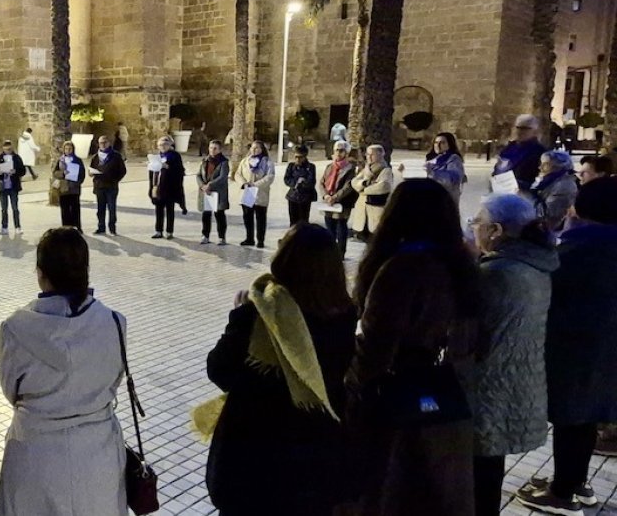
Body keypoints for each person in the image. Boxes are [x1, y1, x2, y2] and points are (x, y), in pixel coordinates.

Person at [344, 179, 479, 516]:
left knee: (389, 491)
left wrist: (351, 386)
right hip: (443, 394)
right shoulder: (460, 264)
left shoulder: (401, 268)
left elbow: (377, 342)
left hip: (395, 399)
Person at [205, 224, 358, 515]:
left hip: (255, 457)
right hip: (315, 455)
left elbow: (220, 370)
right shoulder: (344, 313)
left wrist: (239, 315)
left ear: (286, 259)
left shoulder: (260, 311)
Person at [0, 228, 127, 515]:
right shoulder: (115, 322)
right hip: (98, 453)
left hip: (34, 452)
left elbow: (11, 391)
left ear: (40, 273)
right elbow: (114, 379)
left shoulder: (15, 327)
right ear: (85, 271)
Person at [516, 177, 617, 514]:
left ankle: (562, 493)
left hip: (576, 346)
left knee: (571, 417)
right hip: (604, 347)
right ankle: (576, 481)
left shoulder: (581, 246)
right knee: (586, 418)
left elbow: (548, 284)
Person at [468, 194, 557, 516]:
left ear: (495, 230)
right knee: (490, 466)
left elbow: (467, 331)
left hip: (488, 385)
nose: (472, 227)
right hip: (519, 382)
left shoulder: (496, 274)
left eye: (476, 222)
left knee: (480, 473)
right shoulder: (538, 263)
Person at [319, 140, 359, 257]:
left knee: (341, 226)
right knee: (329, 226)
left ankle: (341, 252)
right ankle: (330, 250)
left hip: (342, 202)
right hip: (328, 202)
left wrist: (335, 197)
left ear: (346, 153)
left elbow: (348, 186)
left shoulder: (350, 168)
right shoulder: (329, 166)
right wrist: (326, 195)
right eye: (336, 150)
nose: (338, 153)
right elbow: (322, 182)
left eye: (341, 150)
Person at [234, 140, 275, 248]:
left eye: (257, 148)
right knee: (248, 217)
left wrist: (255, 184)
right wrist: (243, 183)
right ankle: (249, 238)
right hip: (247, 192)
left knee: (260, 218)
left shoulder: (267, 162)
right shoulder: (245, 161)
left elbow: (269, 177)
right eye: (252, 148)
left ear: (262, 149)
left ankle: (260, 240)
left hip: (260, 193)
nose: (254, 150)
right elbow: (238, 174)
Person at [349, 144, 394, 241]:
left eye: (372, 155)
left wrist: (364, 190)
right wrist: (363, 184)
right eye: (368, 154)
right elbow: (354, 182)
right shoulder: (366, 168)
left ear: (380, 155)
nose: (369, 157)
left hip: (375, 208)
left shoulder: (385, 169)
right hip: (362, 208)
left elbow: (383, 186)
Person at [493, 114, 546, 192]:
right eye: (518, 128)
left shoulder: (540, 152)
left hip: (525, 194)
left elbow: (541, 178)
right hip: (503, 192)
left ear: (534, 131)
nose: (521, 131)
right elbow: (499, 168)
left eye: (525, 129)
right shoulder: (509, 148)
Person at [531, 150, 578, 233]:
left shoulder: (564, 186)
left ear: (558, 167)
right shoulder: (545, 181)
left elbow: (547, 213)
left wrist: (526, 195)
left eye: (545, 165)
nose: (540, 167)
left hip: (551, 232)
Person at [89, 135, 127, 235]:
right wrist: (91, 173)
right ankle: (101, 227)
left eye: (105, 142)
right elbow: (90, 170)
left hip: (111, 186)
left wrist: (115, 180)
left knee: (111, 208)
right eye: (101, 143)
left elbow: (122, 170)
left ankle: (112, 228)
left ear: (109, 143)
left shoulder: (116, 156)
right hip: (99, 186)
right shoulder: (95, 157)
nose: (103, 145)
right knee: (100, 209)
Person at [150, 135, 186, 239]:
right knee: (159, 210)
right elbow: (153, 173)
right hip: (159, 187)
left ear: (170, 145)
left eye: (165, 144)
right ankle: (158, 230)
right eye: (160, 145)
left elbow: (180, 171)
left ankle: (169, 231)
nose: (163, 147)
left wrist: (168, 167)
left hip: (170, 187)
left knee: (170, 210)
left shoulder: (175, 156)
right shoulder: (158, 156)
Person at [197, 139, 230, 245]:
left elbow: (223, 177)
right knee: (206, 215)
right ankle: (205, 236)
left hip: (218, 192)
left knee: (219, 215)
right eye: (211, 148)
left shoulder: (223, 162)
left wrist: (210, 185)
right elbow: (198, 175)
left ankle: (221, 237)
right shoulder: (205, 160)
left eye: (215, 148)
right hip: (205, 192)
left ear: (220, 150)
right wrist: (202, 185)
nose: (212, 150)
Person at [0, 140, 28, 236]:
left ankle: (17, 227)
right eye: (6, 149)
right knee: (4, 208)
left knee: (15, 208)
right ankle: (4, 227)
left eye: (10, 149)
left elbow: (23, 171)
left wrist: (15, 171)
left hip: (13, 186)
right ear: (3, 148)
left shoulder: (16, 158)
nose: (8, 151)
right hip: (3, 187)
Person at [423, 132, 468, 204]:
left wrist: (433, 173)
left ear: (449, 144)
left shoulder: (454, 159)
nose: (438, 145)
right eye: (436, 142)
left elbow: (452, 179)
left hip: (446, 202)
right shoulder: (431, 160)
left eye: (442, 143)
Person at [53, 141, 85, 230]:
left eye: (70, 149)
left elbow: (82, 174)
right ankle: (66, 228)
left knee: (75, 209)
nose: (68, 150)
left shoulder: (78, 160)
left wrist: (77, 182)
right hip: (63, 188)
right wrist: (63, 173)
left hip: (74, 188)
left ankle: (77, 227)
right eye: (66, 149)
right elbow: (55, 173)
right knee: (65, 210)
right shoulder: (60, 160)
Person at [284, 145, 318, 226]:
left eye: (300, 157)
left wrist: (303, 183)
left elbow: (311, 181)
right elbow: (287, 179)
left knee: (303, 221)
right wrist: (296, 183)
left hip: (305, 197)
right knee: (293, 221)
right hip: (293, 196)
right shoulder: (291, 166)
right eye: (296, 157)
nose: (297, 159)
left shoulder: (310, 167)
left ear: (305, 156)